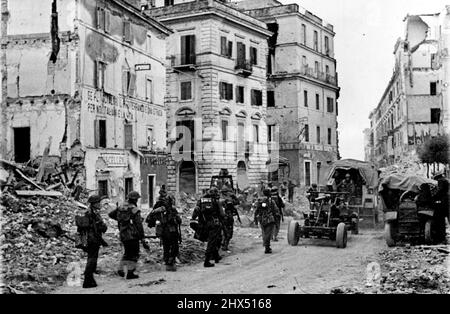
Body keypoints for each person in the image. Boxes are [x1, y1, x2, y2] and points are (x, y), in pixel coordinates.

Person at [109, 191, 148, 279]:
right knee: (134, 254)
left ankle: (120, 269)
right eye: (137, 199)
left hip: (123, 234)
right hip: (132, 234)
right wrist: (142, 237)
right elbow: (139, 225)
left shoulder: (121, 207)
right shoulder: (134, 209)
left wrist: (121, 220)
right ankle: (130, 273)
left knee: (127, 253)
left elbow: (111, 214)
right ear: (135, 199)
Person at [147, 190, 182, 271]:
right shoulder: (171, 208)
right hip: (171, 230)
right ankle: (170, 262)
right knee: (174, 246)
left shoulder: (157, 208)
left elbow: (150, 219)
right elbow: (178, 220)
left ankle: (167, 262)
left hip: (162, 230)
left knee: (166, 246)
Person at [79, 195, 108, 288]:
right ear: (94, 204)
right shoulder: (91, 214)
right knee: (91, 260)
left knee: (92, 260)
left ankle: (90, 280)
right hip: (92, 239)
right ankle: (87, 281)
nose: (100, 204)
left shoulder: (92, 213)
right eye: (98, 202)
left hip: (92, 239)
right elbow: (97, 228)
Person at [192, 187, 225, 267]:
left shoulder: (201, 200)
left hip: (203, 225)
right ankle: (206, 261)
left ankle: (216, 256)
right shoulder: (215, 201)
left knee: (211, 240)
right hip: (214, 224)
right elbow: (222, 214)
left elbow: (195, 213)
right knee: (212, 242)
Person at [254, 189, 280, 254]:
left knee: (264, 232)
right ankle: (267, 247)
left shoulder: (259, 201)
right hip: (269, 219)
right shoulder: (271, 201)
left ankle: (265, 245)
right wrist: (276, 218)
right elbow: (276, 210)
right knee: (268, 234)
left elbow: (256, 210)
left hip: (262, 219)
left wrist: (256, 220)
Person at [220, 186, 241, 251]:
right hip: (224, 216)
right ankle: (224, 244)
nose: (226, 193)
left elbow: (237, 203)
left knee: (228, 232)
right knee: (226, 232)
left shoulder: (230, 197)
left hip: (228, 216)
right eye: (225, 192)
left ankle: (224, 244)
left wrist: (234, 197)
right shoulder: (219, 198)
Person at [432, 171, 449, 242]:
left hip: (443, 203)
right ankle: (442, 237)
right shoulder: (446, 180)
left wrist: (433, 197)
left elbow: (439, 191)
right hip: (446, 202)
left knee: (439, 220)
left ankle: (440, 238)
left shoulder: (441, 181)